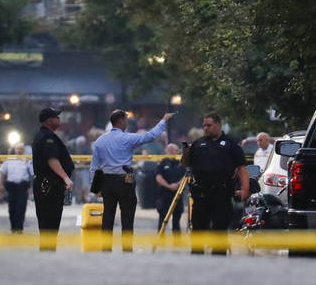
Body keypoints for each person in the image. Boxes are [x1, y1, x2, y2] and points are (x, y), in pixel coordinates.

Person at [89, 109, 174, 251]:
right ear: (121, 121)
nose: (127, 123)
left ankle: (105, 250)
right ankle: (127, 249)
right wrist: (163, 120)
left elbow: (94, 166)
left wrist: (95, 188)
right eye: (126, 120)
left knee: (108, 216)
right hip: (125, 181)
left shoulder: (100, 141)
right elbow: (150, 136)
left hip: (107, 182)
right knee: (127, 217)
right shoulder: (127, 138)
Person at [181, 113, 248, 254]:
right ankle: (196, 258)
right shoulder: (198, 144)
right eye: (204, 125)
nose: (206, 128)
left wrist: (245, 189)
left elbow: (242, 167)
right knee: (198, 231)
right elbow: (185, 164)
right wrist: (186, 152)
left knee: (220, 232)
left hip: (221, 195)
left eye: (209, 125)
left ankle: (219, 262)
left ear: (218, 125)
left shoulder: (230, 144)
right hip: (201, 195)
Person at [31, 107, 75, 244]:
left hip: (47, 184)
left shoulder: (44, 135)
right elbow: (52, 160)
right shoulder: (47, 137)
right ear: (49, 121)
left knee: (48, 224)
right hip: (49, 185)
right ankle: (47, 252)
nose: (59, 119)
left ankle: (48, 251)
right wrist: (65, 177)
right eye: (56, 117)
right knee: (50, 222)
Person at [0, 143, 34, 233]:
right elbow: (2, 172)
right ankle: (13, 227)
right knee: (12, 208)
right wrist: (1, 184)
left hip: (22, 187)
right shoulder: (9, 159)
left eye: (21, 149)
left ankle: (19, 228)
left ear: (24, 150)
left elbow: (32, 173)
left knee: (21, 208)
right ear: (15, 150)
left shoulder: (27, 160)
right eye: (18, 148)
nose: (19, 150)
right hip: (12, 187)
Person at [155, 143, 186, 236]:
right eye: (176, 151)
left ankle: (177, 238)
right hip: (164, 194)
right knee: (163, 217)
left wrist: (177, 184)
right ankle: (161, 236)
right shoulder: (162, 162)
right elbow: (158, 177)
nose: (178, 152)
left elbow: (186, 176)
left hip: (178, 193)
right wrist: (169, 186)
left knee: (177, 217)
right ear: (170, 151)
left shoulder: (181, 162)